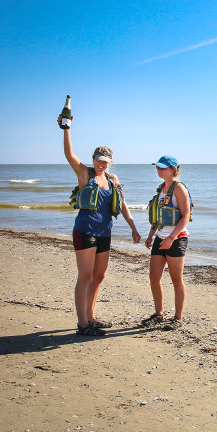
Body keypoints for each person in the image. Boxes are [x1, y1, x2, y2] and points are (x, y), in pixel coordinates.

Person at [60, 116, 141, 336]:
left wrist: (133, 227)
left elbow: (122, 204)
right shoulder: (85, 174)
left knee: (99, 276)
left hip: (105, 233)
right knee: (84, 276)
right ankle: (82, 324)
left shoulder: (113, 179)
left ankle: (91, 316)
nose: (101, 164)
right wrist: (66, 128)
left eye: (105, 161)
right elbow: (69, 155)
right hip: (85, 231)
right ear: (93, 159)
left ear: (110, 162)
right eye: (98, 160)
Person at [141, 155, 191, 331]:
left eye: (163, 168)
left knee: (177, 280)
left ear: (173, 169)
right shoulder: (161, 188)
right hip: (160, 237)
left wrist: (171, 238)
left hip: (176, 239)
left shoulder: (179, 188)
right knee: (154, 277)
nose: (159, 170)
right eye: (157, 167)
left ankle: (178, 318)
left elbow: (185, 216)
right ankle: (159, 314)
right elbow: (159, 215)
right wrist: (150, 235)